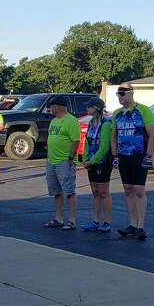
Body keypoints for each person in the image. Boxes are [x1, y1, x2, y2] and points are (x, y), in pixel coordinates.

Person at [113, 82, 154, 241]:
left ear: (131, 93)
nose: (120, 96)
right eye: (118, 94)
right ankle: (132, 224)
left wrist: (149, 155)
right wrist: (115, 155)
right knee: (128, 189)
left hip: (139, 154)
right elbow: (114, 136)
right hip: (123, 155)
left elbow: (152, 134)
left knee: (139, 189)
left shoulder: (143, 110)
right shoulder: (117, 114)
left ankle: (141, 226)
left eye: (123, 93)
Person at [42, 99, 80, 230]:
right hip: (51, 161)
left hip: (64, 161)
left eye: (52, 106)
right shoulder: (54, 121)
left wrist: (70, 158)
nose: (50, 109)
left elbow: (76, 141)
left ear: (58, 106)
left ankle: (72, 220)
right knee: (56, 191)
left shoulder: (71, 120)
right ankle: (58, 218)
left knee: (69, 191)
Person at [79, 97, 115, 232]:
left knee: (104, 192)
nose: (87, 109)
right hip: (92, 162)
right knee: (95, 192)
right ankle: (95, 220)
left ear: (96, 108)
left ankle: (107, 222)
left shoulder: (105, 124)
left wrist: (93, 161)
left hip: (102, 162)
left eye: (89, 106)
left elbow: (104, 146)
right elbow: (87, 142)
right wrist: (85, 158)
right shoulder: (91, 123)